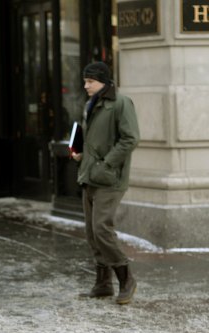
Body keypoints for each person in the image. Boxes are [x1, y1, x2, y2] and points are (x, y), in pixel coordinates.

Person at [70, 61, 140, 305]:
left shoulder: (120, 103)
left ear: (103, 82)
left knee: (101, 228)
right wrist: (82, 155)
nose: (86, 85)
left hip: (110, 178)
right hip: (90, 175)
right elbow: (94, 141)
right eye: (85, 81)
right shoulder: (92, 104)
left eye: (90, 81)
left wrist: (107, 164)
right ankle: (102, 284)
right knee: (92, 232)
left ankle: (126, 278)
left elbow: (130, 139)